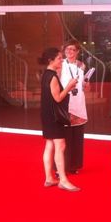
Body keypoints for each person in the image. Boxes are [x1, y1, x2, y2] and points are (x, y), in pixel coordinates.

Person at [38, 47, 80, 192]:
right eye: (58, 58)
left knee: (50, 145)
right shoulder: (53, 77)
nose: (61, 60)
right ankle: (63, 180)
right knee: (60, 146)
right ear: (51, 60)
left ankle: (49, 178)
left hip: (47, 115)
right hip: (54, 117)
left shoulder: (46, 74)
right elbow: (58, 98)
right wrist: (68, 86)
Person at [60, 40, 88, 174]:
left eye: (72, 49)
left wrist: (86, 85)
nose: (69, 52)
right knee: (64, 137)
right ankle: (61, 167)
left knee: (77, 137)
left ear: (77, 51)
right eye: (67, 49)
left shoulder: (82, 66)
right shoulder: (60, 65)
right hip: (65, 103)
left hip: (79, 103)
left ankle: (74, 166)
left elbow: (83, 86)